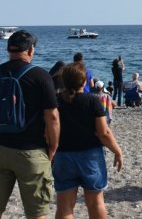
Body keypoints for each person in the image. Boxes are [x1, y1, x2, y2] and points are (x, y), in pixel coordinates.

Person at [0, 30, 59, 219]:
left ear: (9, 50)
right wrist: (53, 146)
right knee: (36, 212)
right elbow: (52, 116)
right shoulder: (40, 76)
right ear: (30, 50)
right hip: (32, 151)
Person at [53, 62, 123, 219]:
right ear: (84, 82)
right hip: (91, 156)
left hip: (63, 155)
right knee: (95, 203)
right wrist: (117, 151)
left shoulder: (56, 100)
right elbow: (104, 133)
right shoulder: (92, 101)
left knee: (64, 207)